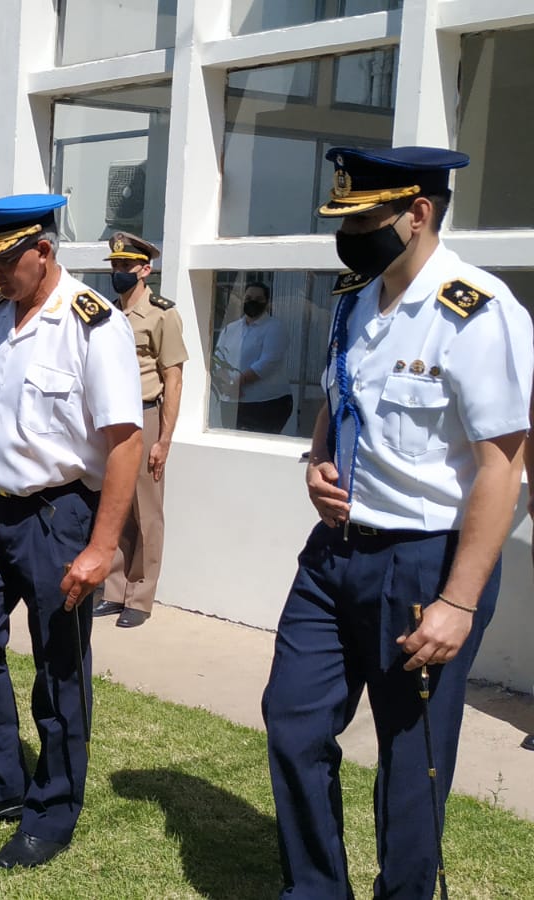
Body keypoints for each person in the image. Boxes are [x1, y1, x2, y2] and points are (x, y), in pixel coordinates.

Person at [262, 147, 531, 899]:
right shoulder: (355, 300)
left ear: (418, 214)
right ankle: (316, 888)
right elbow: (336, 397)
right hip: (335, 555)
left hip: (425, 565)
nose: (349, 233)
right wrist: (317, 463)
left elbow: (502, 467)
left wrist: (458, 601)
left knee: (411, 764)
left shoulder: (475, 312)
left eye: (364, 218)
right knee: (293, 722)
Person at [0, 194, 142, 869]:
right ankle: (0, 782)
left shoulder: (94, 324)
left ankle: (52, 809)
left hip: (57, 518)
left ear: (43, 252)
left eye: (2, 260)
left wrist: (102, 547)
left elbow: (123, 444)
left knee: (58, 673)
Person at [93, 232, 187, 629]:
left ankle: (141, 596)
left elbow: (174, 378)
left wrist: (164, 440)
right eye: (115, 266)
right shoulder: (107, 313)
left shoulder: (163, 314)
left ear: (145, 270)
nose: (119, 272)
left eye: (126, 266)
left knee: (146, 511)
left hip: (147, 415)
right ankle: (114, 589)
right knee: (115, 504)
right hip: (114, 418)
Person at [213, 280, 293, 434]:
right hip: (231, 401)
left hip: (267, 403)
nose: (253, 302)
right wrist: (227, 385)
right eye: (248, 298)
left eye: (258, 299)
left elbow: (268, 362)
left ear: (267, 302)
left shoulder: (275, 327)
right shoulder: (230, 329)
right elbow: (218, 359)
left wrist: (238, 384)